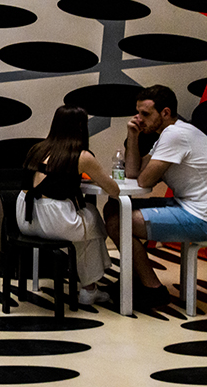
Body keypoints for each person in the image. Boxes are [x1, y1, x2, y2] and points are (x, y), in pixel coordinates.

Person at [104, 85, 207, 308]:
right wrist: (133, 136)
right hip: (186, 205)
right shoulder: (168, 134)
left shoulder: (175, 135)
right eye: (138, 113)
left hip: (200, 217)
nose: (139, 119)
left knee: (118, 220)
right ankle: (135, 279)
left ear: (165, 113)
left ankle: (152, 289)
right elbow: (133, 172)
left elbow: (145, 181)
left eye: (145, 114)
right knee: (113, 208)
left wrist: (145, 172)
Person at [18, 105, 119, 306]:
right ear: (82, 127)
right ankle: (89, 288)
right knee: (92, 218)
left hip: (25, 217)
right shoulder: (81, 155)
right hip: (53, 221)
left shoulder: (38, 149)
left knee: (87, 223)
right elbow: (113, 190)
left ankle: (89, 287)